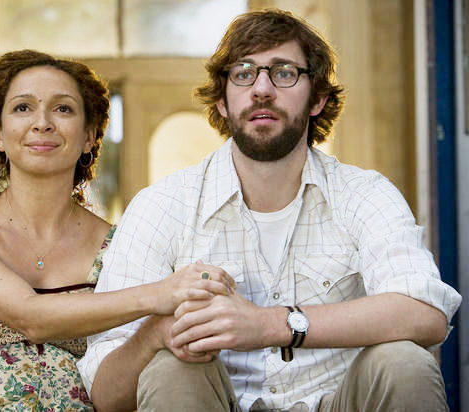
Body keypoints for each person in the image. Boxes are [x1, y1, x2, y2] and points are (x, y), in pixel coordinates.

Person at [78, 9, 463, 412]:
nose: (262, 89)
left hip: (339, 400)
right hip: (215, 401)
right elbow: (107, 394)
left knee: (404, 362)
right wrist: (157, 333)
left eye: (284, 73)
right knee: (170, 368)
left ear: (317, 99)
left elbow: (425, 314)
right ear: (223, 100)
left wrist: (269, 324)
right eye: (244, 73)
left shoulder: (364, 193)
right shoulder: (162, 206)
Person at [0, 49, 235, 411]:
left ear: (89, 136)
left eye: (63, 109)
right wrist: (161, 293)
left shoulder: (121, 246)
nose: (42, 123)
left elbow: (130, 366)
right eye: (22, 108)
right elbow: (29, 317)